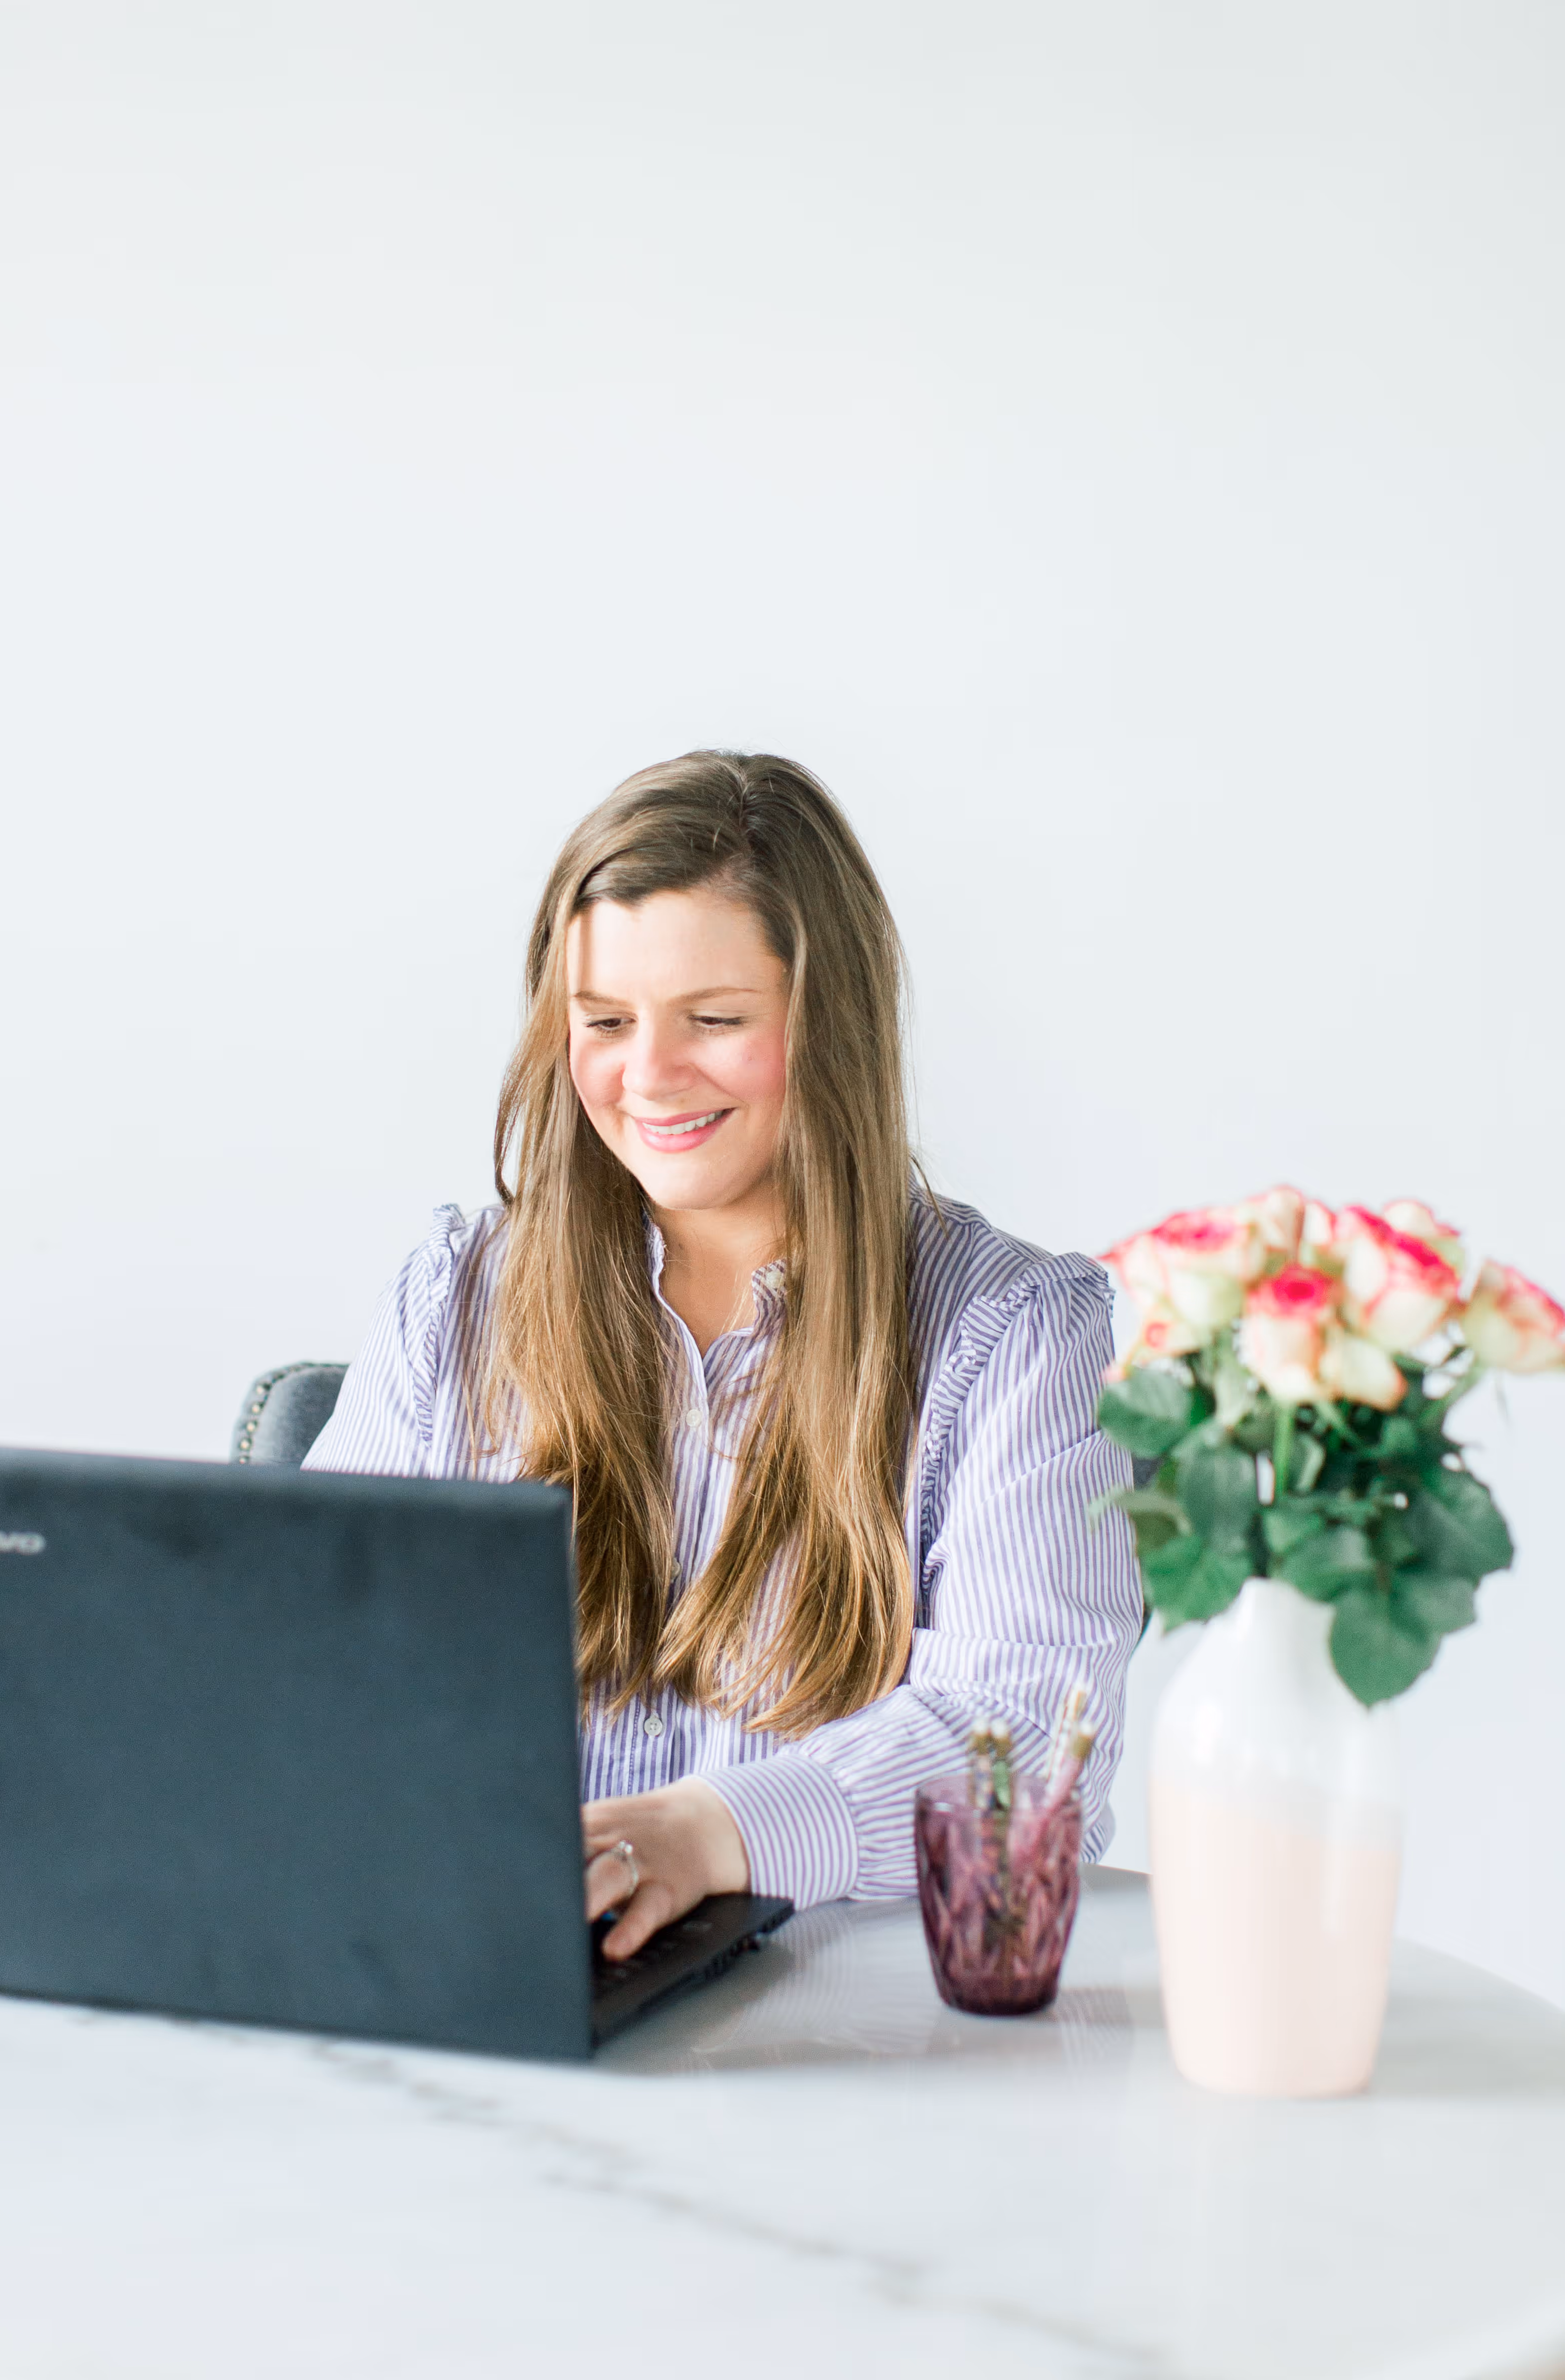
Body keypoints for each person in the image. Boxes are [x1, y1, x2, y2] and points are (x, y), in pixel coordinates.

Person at [306, 750, 1142, 1960]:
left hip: (852, 2040)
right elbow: (310, 1657)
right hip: (498, 1981)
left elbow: (1018, 1747)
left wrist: (706, 1831)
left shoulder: (1014, 1335)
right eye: (603, 1022)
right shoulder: (459, 1298)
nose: (647, 1075)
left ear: (828, 1026)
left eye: (713, 1020)